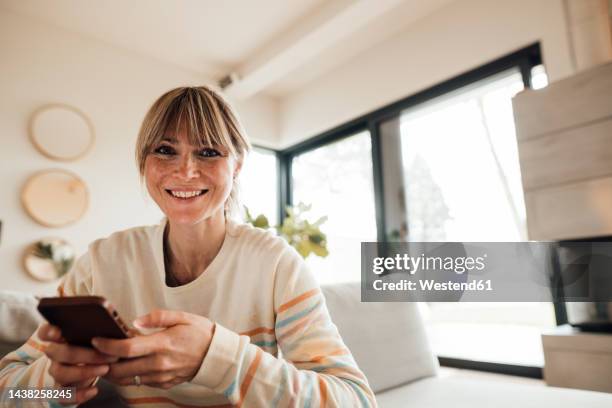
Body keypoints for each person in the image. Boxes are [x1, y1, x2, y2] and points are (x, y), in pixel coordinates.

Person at [0, 86, 377, 407]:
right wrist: (54, 385)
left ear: (238, 165)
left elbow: (355, 399)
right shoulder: (101, 262)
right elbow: (8, 391)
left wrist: (218, 359)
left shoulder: (276, 264)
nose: (185, 171)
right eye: (165, 150)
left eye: (209, 152)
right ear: (144, 163)